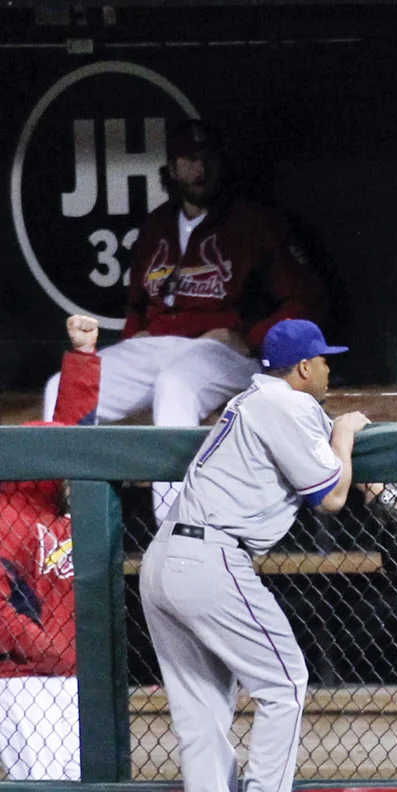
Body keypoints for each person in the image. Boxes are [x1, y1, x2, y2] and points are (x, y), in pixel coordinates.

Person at [140, 318, 369, 792]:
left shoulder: (254, 399)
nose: (328, 368)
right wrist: (345, 433)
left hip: (164, 557)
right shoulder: (286, 407)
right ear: (300, 369)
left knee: (203, 724)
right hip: (211, 557)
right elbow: (331, 496)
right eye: (322, 361)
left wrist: (330, 429)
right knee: (286, 683)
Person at [43, 119, 328, 524]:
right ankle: (59, 522)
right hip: (154, 347)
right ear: (172, 169)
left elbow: (307, 298)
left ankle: (173, 528)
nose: (200, 169)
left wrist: (251, 338)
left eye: (207, 159)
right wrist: (134, 336)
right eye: (189, 160)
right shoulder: (156, 224)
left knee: (174, 385)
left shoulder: (254, 223)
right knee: (63, 387)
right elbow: (138, 305)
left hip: (218, 352)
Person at [0, 315, 106, 781]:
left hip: (72, 676)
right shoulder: (8, 515)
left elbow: (76, 427)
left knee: (87, 785)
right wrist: (56, 658)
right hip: (25, 684)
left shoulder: (63, 502)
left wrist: (83, 358)